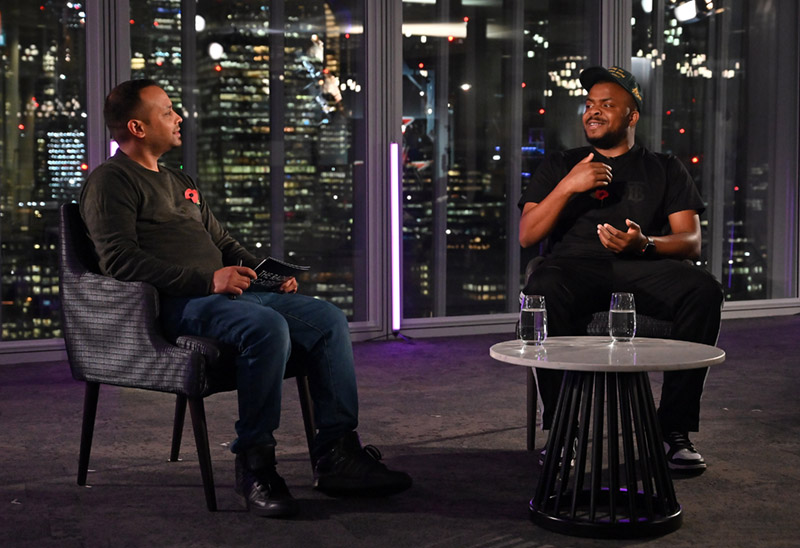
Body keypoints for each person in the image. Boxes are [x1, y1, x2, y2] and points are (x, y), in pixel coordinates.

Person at [80, 79, 412, 518]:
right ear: (137, 128)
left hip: (227, 295)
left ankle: (337, 455)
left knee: (328, 319)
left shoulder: (179, 180)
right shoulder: (111, 181)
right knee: (266, 328)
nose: (178, 118)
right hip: (176, 306)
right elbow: (119, 262)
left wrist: (266, 275)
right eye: (167, 111)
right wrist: (208, 281)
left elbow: (223, 243)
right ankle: (255, 465)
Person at [518, 66, 723, 473]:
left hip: (639, 269)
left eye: (607, 104)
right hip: (573, 271)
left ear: (632, 116)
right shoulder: (561, 164)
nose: (593, 111)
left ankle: (673, 429)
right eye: (589, 104)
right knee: (542, 286)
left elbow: (690, 241)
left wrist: (645, 244)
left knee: (704, 290)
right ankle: (564, 431)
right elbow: (527, 235)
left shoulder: (664, 167)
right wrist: (568, 186)